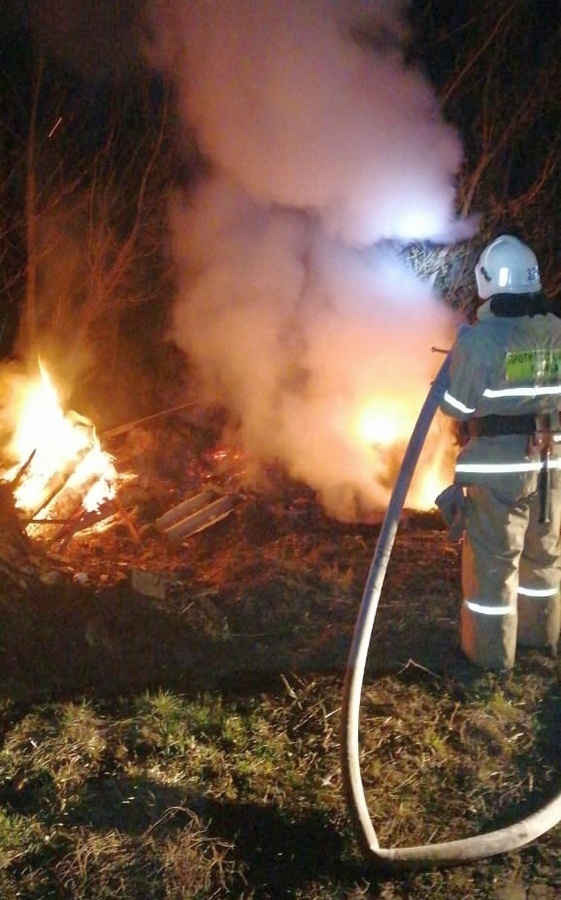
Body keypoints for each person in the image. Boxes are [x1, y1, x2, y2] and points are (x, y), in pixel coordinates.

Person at [439, 234, 561, 671]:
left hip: (498, 471)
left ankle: (489, 662)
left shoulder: (481, 340)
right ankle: (540, 639)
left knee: (493, 565)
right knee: (544, 556)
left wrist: (460, 359)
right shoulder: (557, 331)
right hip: (552, 461)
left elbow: (455, 405)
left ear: (488, 281)